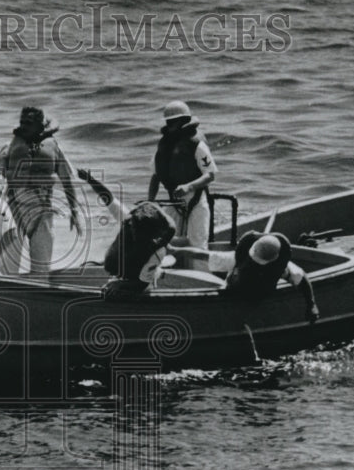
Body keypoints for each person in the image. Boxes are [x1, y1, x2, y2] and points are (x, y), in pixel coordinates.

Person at [0, 107, 83, 275]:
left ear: (40, 125)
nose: (23, 126)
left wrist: (74, 211)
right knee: (7, 269)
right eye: (21, 122)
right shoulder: (9, 147)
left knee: (41, 271)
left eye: (28, 123)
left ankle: (35, 294)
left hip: (42, 213)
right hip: (13, 210)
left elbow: (66, 180)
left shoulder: (54, 148)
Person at [172, 231, 318, 322]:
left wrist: (311, 305)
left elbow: (302, 278)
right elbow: (200, 254)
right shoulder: (235, 259)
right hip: (236, 290)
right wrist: (174, 250)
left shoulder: (283, 267)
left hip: (260, 293)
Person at [78, 168, 175, 296]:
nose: (134, 234)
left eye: (139, 233)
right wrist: (90, 179)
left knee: (131, 287)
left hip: (140, 281)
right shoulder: (130, 220)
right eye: (133, 228)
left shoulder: (157, 251)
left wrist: (120, 284)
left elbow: (142, 284)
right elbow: (107, 197)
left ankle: (157, 272)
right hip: (126, 268)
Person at [147, 100, 217, 250]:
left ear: (184, 121)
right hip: (174, 198)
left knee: (198, 243)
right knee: (164, 239)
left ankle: (199, 269)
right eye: (168, 122)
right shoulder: (164, 145)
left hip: (196, 198)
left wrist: (189, 186)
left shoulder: (197, 144)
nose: (170, 125)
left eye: (173, 121)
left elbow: (210, 175)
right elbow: (155, 176)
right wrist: (150, 201)